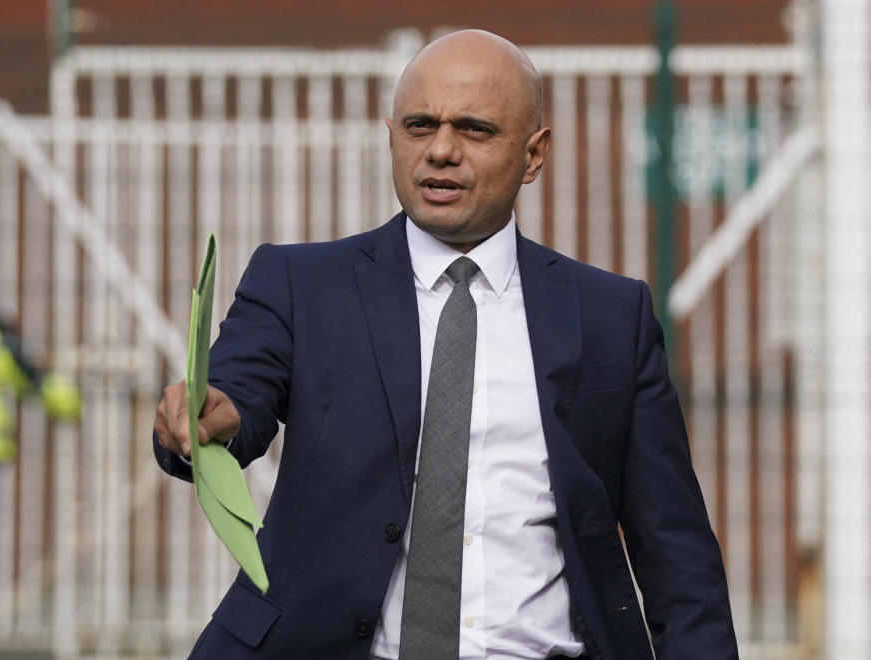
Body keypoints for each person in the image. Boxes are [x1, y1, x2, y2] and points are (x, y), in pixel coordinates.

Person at [153, 29, 738, 660]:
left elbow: (674, 547)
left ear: (534, 155)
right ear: (392, 137)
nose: (441, 150)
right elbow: (236, 393)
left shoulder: (609, 315)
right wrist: (210, 417)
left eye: (475, 130)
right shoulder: (300, 283)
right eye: (420, 125)